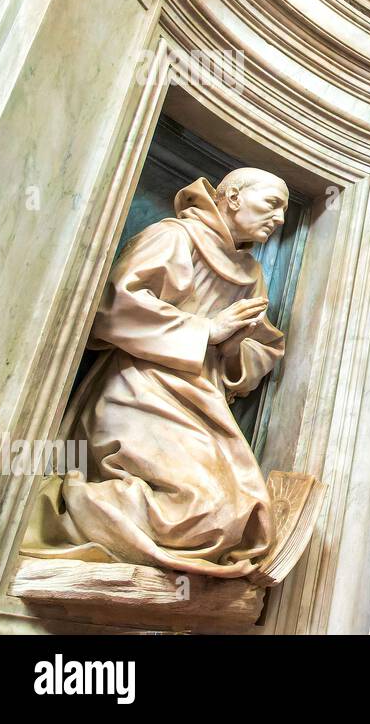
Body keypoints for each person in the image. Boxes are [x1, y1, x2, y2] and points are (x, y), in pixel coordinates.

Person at [24, 169, 289, 577]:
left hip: (201, 398)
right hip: (139, 389)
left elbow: (259, 350)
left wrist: (233, 344)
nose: (281, 219)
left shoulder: (251, 274)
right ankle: (56, 519)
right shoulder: (173, 236)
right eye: (272, 203)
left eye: (287, 210)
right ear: (232, 197)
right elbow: (112, 307)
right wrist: (205, 329)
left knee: (241, 511)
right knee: (203, 506)